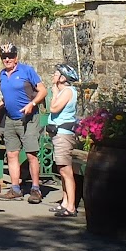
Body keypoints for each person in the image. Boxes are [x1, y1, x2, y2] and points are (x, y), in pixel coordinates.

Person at [0, 43, 46, 203]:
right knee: (12, 154)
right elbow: (8, 96)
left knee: (31, 154)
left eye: (10, 56)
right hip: (10, 118)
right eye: (4, 57)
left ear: (16, 57)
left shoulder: (26, 71)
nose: (7, 59)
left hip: (28, 119)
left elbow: (43, 91)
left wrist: (32, 104)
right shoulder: (2, 74)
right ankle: (15, 189)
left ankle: (35, 189)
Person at [48, 64, 81, 217]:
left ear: (62, 78)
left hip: (63, 135)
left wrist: (54, 93)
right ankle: (65, 202)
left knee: (66, 170)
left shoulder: (67, 91)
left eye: (56, 74)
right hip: (58, 133)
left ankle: (71, 207)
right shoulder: (65, 91)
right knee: (61, 170)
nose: (53, 76)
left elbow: (54, 109)